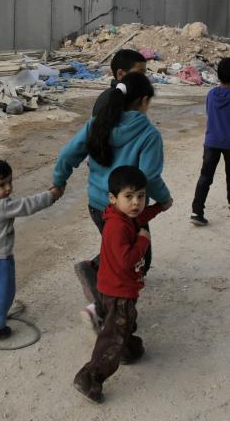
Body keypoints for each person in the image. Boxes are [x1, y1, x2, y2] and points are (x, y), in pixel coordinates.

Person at [52, 71, 173, 329]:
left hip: (99, 204)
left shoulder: (98, 123)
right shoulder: (149, 134)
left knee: (118, 249)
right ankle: (106, 310)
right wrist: (164, 199)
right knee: (136, 257)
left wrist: (59, 181)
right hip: (130, 210)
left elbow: (67, 154)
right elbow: (149, 176)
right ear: (143, 101)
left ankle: (98, 278)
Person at [72, 166, 165, 404]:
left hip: (118, 287)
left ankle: (129, 349)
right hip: (118, 289)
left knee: (124, 321)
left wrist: (158, 208)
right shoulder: (116, 227)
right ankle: (89, 377)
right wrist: (143, 242)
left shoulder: (125, 216)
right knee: (113, 336)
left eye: (141, 196)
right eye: (129, 197)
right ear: (113, 198)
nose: (136, 203)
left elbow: (140, 218)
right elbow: (125, 261)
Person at [0, 159, 63, 339]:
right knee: (5, 291)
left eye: (10, 181)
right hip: (0, 258)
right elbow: (27, 205)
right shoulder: (2, 205)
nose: (8, 188)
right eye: (2, 185)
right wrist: (51, 196)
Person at [190, 58, 230, 226]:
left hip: (211, 141)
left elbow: (209, 112)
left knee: (205, 176)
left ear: (218, 75)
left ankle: (197, 211)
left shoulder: (210, 94)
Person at [91, 49, 147, 117]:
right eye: (140, 73)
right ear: (120, 74)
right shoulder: (113, 100)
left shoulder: (128, 96)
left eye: (144, 73)